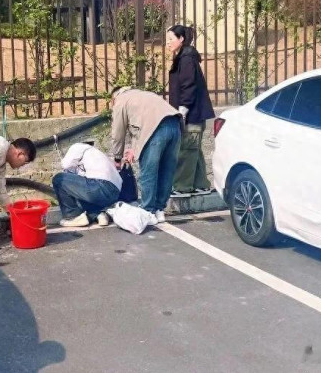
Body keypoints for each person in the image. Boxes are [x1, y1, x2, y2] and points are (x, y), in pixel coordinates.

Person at [110, 86, 182, 224]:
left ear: (113, 98)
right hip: (175, 125)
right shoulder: (144, 95)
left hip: (155, 131)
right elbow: (143, 123)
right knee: (167, 171)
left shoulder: (120, 100)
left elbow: (118, 133)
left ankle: (147, 211)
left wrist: (117, 158)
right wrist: (134, 149)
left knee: (149, 172)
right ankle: (160, 210)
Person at [166, 25, 216, 198]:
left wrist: (183, 110)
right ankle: (201, 185)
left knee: (186, 150)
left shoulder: (186, 58)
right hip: (193, 113)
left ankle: (182, 187)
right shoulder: (184, 56)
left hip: (192, 114)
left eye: (171, 39)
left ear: (181, 39)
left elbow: (189, 85)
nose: (167, 43)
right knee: (194, 149)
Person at [54, 139, 123, 228]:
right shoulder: (97, 153)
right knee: (82, 191)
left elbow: (65, 165)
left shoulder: (77, 146)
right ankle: (99, 214)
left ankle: (73, 217)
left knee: (59, 179)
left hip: (100, 186)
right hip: (115, 192)